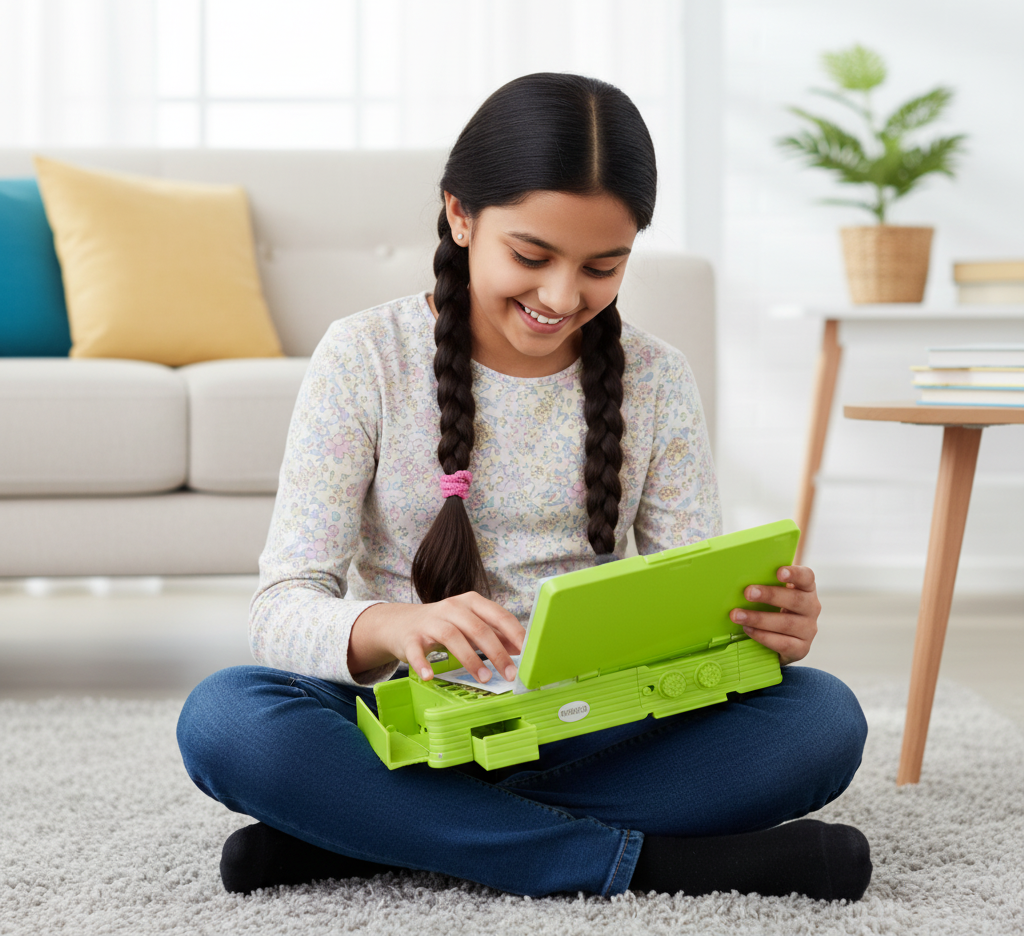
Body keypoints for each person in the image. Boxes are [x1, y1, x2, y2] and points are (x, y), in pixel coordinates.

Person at [176, 72, 871, 903]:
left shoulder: (656, 379)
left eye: (603, 266)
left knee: (822, 717)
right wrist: (396, 624)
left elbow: (692, 615)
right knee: (226, 717)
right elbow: (282, 606)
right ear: (460, 215)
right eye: (532, 257)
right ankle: (648, 864)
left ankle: (380, 833)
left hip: (597, 724)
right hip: (415, 725)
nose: (561, 297)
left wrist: (760, 630)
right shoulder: (364, 357)